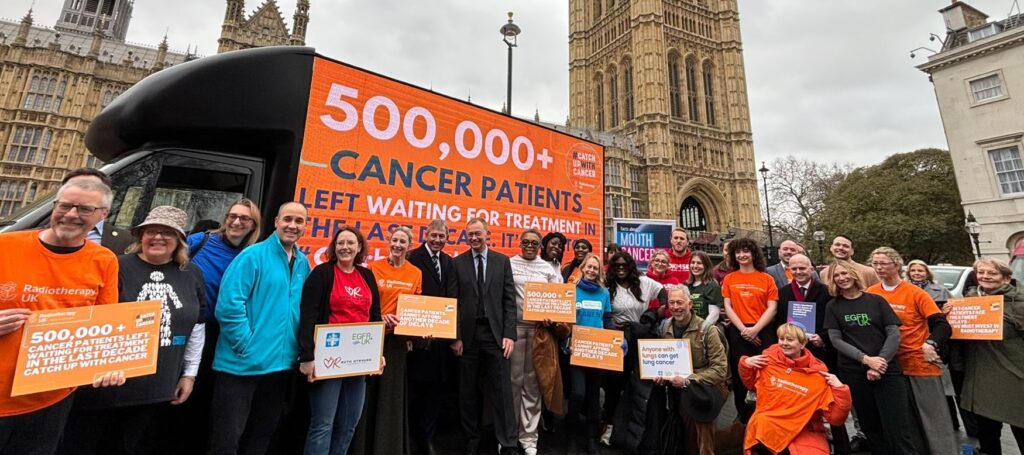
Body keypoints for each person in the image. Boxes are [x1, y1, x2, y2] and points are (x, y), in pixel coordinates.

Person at [59, 206, 206, 455]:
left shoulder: (191, 274)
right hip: (105, 388)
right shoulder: (115, 266)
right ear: (141, 236)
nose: (157, 237)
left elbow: (197, 326)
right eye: (151, 231)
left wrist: (189, 375)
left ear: (179, 240)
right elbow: (91, 320)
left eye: (166, 232)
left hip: (158, 388)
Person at [0, 179, 124, 455]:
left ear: (102, 215)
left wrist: (110, 364)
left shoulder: (104, 260)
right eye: (65, 206)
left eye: (84, 209)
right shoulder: (5, 245)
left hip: (51, 400)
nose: (71, 214)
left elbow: (105, 328)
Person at [208, 202, 312, 455]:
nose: (293, 225)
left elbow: (304, 310)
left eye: (299, 221)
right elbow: (229, 305)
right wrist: (246, 343)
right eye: (288, 219)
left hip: (279, 366)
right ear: (276, 221)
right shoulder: (252, 256)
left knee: (262, 434)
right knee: (226, 439)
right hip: (241, 365)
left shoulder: (303, 263)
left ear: (305, 227)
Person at [178, 198, 261, 453]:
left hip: (225, 335)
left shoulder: (253, 254)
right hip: (190, 330)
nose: (236, 222)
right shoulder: (200, 242)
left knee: (209, 397)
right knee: (180, 391)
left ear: (253, 225)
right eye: (232, 216)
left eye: (244, 218)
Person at [298, 226, 382, 455]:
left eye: (350, 243)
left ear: (360, 247)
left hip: (359, 362)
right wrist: (307, 357)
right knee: (323, 425)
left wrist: (378, 354)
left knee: (349, 425)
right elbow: (308, 317)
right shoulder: (322, 273)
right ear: (334, 247)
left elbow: (375, 316)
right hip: (328, 360)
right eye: (340, 243)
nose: (345, 247)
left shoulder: (366, 275)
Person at [823, 261, 921, 454]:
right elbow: (836, 340)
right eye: (836, 276)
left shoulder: (876, 300)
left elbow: (893, 333)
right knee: (871, 427)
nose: (842, 278)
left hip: (887, 371)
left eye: (845, 273)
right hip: (855, 373)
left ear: (854, 274)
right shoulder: (833, 306)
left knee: (898, 427)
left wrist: (879, 362)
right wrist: (866, 360)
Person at [866, 247, 956, 454]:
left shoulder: (915, 293)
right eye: (875, 263)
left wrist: (931, 344)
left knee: (934, 419)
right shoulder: (871, 294)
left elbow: (941, 324)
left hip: (918, 363)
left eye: (883, 263)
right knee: (905, 423)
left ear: (897, 265)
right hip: (889, 366)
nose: (879, 268)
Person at [450, 218, 519, 455]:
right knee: (467, 391)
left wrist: (509, 335)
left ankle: (508, 442)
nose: (474, 238)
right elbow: (454, 303)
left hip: (496, 335)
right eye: (470, 234)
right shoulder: (457, 263)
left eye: (478, 233)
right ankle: (471, 438)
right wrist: (455, 336)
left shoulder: (502, 262)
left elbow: (509, 301)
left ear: (487, 234)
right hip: (467, 337)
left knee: (502, 390)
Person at [351, 227, 422, 455]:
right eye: (395, 240)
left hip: (396, 343)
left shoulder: (415, 273)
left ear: (409, 246)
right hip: (373, 337)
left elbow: (417, 307)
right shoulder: (373, 268)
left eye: (403, 241)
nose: (398, 245)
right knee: (368, 395)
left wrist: (413, 332)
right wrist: (379, 317)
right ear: (388, 242)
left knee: (391, 397)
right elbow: (365, 302)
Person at [740, 324, 851, 455]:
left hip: (804, 430)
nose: (784, 343)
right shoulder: (767, 362)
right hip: (768, 427)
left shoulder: (819, 375)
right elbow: (751, 385)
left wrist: (841, 390)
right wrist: (745, 365)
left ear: (803, 343)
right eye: (781, 339)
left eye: (790, 339)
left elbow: (836, 418)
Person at [509, 229, 565, 455]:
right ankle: (509, 434)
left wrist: (553, 316)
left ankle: (529, 437)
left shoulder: (547, 269)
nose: (530, 246)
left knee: (532, 386)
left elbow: (559, 299)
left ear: (540, 245)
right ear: (520, 243)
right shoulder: (509, 264)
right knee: (512, 384)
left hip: (539, 332)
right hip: (514, 329)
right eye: (526, 242)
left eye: (534, 242)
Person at [960, 257, 1024, 455]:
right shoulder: (969, 301)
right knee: (987, 433)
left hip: (1014, 373)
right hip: (980, 376)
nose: (985, 277)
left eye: (992, 273)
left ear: (1006, 278)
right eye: (981, 272)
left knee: (1020, 426)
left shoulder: (1019, 303)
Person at [655, 286, 729, 455]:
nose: (675, 307)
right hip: (678, 387)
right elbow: (663, 360)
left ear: (690, 304)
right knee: (686, 434)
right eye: (672, 303)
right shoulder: (665, 327)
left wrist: (690, 379)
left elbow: (720, 370)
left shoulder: (707, 330)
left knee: (703, 430)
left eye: (680, 302)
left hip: (706, 387)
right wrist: (660, 375)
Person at [405, 220, 458, 455]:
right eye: (434, 235)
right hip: (416, 338)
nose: (438, 240)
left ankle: (427, 438)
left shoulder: (449, 262)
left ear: (447, 238)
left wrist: (453, 333)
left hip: (441, 339)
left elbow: (453, 298)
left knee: (435, 392)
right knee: (414, 391)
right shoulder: (412, 258)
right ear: (426, 235)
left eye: (442, 236)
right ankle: (409, 437)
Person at [603, 251, 665, 446]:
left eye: (624, 265)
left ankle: (634, 430)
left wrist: (659, 311)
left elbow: (662, 291)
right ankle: (610, 425)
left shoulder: (643, 282)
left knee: (638, 386)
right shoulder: (607, 285)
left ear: (631, 266)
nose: (621, 268)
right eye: (617, 266)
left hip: (639, 337)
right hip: (616, 339)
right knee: (614, 386)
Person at [720, 237, 778, 423]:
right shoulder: (730, 278)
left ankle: (766, 412)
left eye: (746, 251)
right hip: (739, 330)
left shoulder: (767, 278)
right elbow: (728, 306)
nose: (742, 255)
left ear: (753, 254)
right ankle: (744, 416)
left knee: (765, 371)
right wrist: (744, 330)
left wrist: (755, 330)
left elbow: (772, 308)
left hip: (763, 329)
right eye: (738, 252)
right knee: (741, 374)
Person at [566, 253, 612, 454]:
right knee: (577, 393)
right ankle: (571, 435)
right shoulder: (571, 290)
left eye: (596, 268)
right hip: (576, 349)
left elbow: (608, 319)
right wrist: (565, 343)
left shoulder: (604, 293)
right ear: (583, 268)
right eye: (589, 267)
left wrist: (619, 342)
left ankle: (591, 437)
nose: (592, 271)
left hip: (597, 350)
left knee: (594, 396)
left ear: (600, 271)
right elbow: (564, 321)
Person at [61, 167, 132, 254]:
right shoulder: (41, 235)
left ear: (105, 211)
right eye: (73, 187)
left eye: (90, 188)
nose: (71, 214)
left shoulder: (127, 240)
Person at [686, 250, 722, 324]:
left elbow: (714, 314)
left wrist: (702, 330)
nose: (695, 266)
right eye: (693, 263)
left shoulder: (712, 286)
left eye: (699, 263)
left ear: (706, 266)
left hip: (705, 328)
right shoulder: (686, 285)